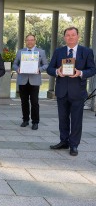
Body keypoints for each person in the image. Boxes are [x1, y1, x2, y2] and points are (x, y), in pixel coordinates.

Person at [47, 26, 96, 156]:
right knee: (62, 118)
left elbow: (92, 69)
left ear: (78, 36)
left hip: (78, 92)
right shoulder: (59, 51)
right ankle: (64, 141)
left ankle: (74, 145)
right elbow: (49, 69)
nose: (70, 37)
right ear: (64, 37)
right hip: (62, 91)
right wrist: (58, 71)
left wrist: (80, 73)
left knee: (76, 119)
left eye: (73, 35)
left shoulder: (86, 52)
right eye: (67, 35)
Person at [13, 34, 48, 130]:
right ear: (25, 41)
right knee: (24, 102)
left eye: (32, 40)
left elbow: (46, 65)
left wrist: (39, 69)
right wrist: (17, 69)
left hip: (34, 80)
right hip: (22, 80)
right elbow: (14, 64)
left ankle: (35, 121)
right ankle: (25, 120)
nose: (30, 42)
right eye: (28, 40)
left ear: (35, 41)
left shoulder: (41, 52)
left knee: (34, 102)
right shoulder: (20, 52)